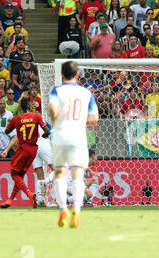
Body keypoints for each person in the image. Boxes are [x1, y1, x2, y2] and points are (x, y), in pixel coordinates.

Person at [48, 61, 99, 228]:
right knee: (78, 175)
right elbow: (94, 117)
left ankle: (63, 209)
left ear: (62, 74)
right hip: (78, 137)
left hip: (62, 135)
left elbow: (53, 111)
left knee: (60, 174)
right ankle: (77, 210)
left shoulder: (57, 91)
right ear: (78, 74)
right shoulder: (86, 93)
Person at [0, 97, 50, 209]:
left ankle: (30, 195)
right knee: (20, 176)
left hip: (23, 149)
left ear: (20, 107)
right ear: (30, 106)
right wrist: (44, 136)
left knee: (14, 174)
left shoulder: (16, 119)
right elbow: (47, 131)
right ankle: (10, 200)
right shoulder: (37, 116)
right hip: (33, 150)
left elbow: (6, 131)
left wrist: (17, 126)